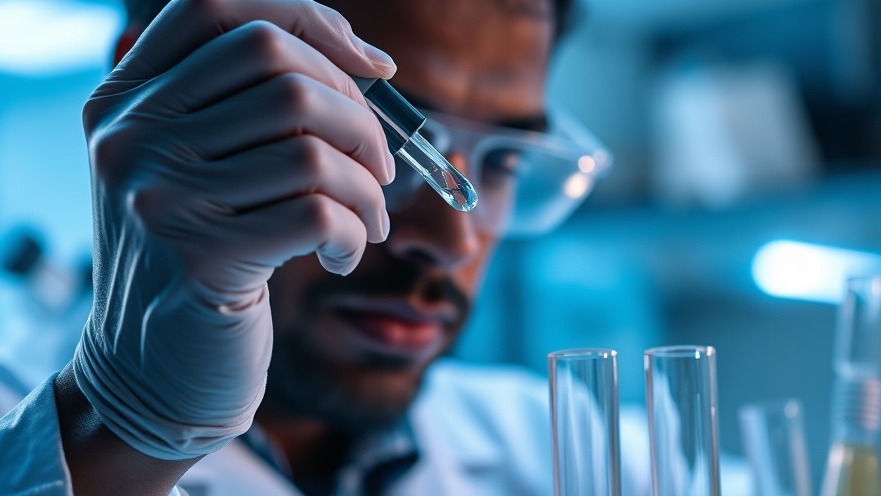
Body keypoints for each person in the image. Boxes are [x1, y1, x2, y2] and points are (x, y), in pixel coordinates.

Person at [1, 0, 646, 494]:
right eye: (383, 136)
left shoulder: (558, 442)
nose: (451, 241)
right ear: (161, 95)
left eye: (504, 160)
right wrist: (122, 430)